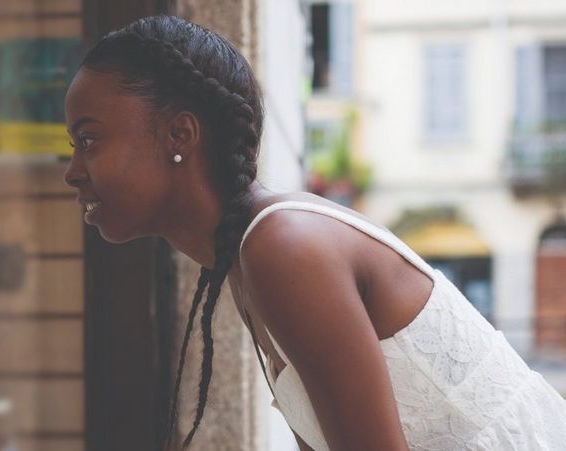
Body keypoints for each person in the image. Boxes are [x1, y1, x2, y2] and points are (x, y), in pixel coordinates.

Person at [62, 15, 566, 451]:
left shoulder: (284, 248)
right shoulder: (249, 256)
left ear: (180, 135)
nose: (72, 171)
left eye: (89, 140)